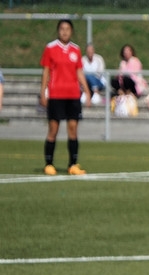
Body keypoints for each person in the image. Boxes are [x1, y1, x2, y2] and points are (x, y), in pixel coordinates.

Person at [39, 19, 88, 176]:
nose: (65, 31)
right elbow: (46, 71)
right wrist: (43, 92)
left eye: (67, 29)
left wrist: (87, 91)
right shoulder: (50, 48)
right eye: (62, 28)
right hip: (56, 95)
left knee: (73, 130)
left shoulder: (76, 49)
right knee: (53, 129)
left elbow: (79, 71)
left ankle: (72, 165)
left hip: (73, 95)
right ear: (58, 31)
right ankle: (49, 164)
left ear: (71, 31)